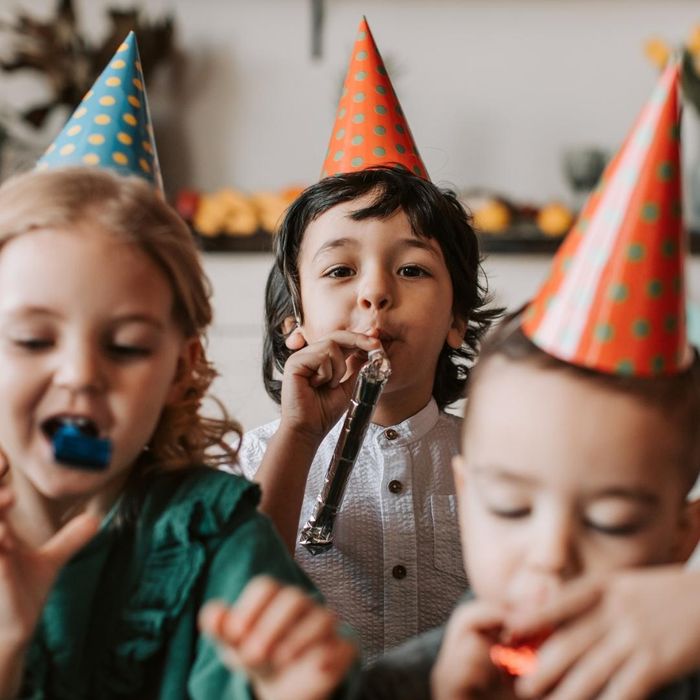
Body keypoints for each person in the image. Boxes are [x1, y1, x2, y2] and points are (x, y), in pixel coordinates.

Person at [0, 33, 356, 700]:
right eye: (31, 341)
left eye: (127, 346)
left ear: (180, 369)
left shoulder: (217, 540)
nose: (80, 374)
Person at [361, 62, 700, 700]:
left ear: (684, 538)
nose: (550, 556)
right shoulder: (405, 686)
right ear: (464, 494)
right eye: (510, 507)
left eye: (612, 521)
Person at [234, 16, 500, 662]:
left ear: (458, 319)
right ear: (290, 325)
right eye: (339, 270)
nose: (374, 293)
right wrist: (299, 437)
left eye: (411, 269)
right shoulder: (254, 461)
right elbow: (238, 590)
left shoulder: (497, 464)